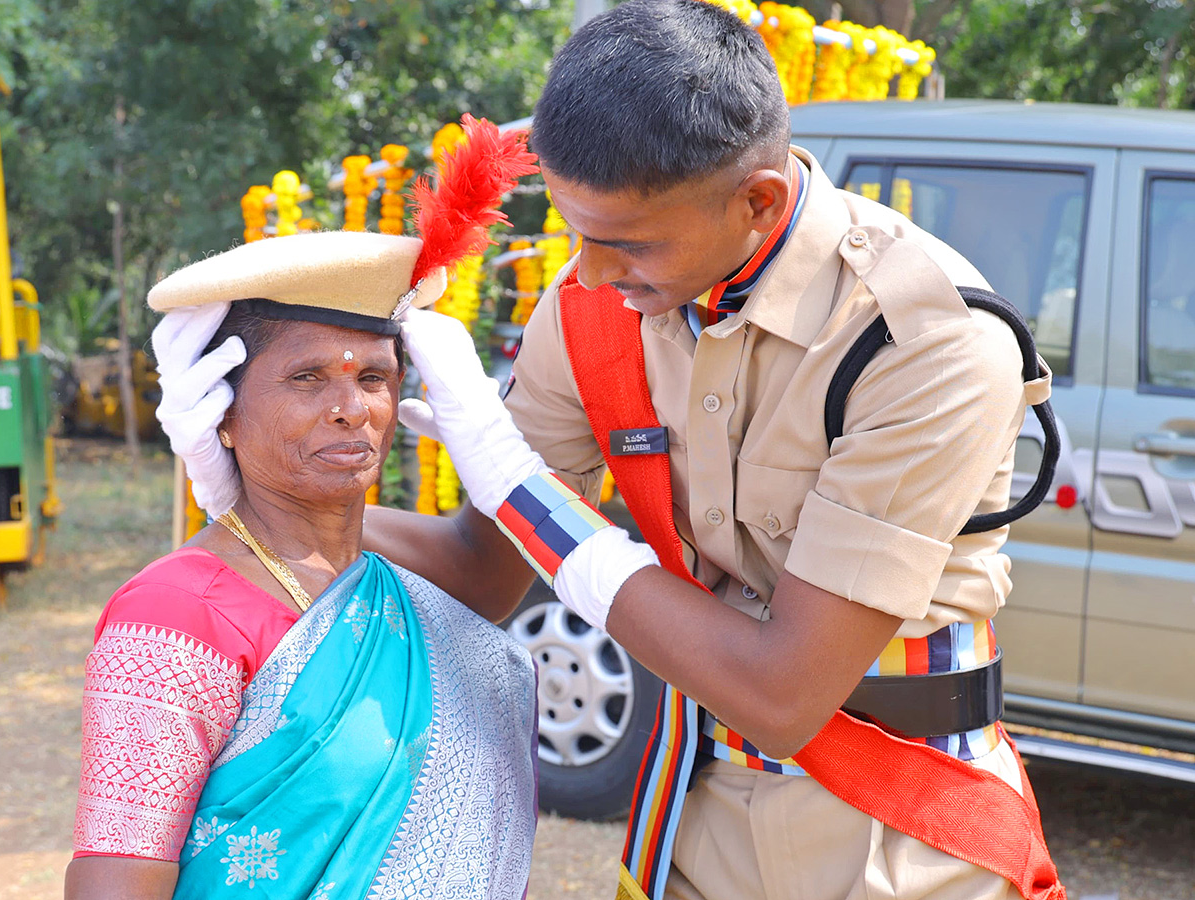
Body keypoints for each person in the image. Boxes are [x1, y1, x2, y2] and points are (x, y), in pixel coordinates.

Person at [155, 6, 1065, 899]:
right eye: (574, 232)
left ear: (759, 203)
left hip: (898, 839)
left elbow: (783, 698)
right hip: (689, 821)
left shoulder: (924, 341)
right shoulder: (599, 301)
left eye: (622, 243)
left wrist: (519, 487)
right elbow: (483, 570)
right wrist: (259, 499)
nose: (586, 275)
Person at [66, 117, 540, 900]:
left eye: (376, 379)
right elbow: (115, 883)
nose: (352, 408)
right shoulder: (175, 613)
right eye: (307, 378)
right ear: (220, 409)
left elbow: (496, 567)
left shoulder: (398, 588)